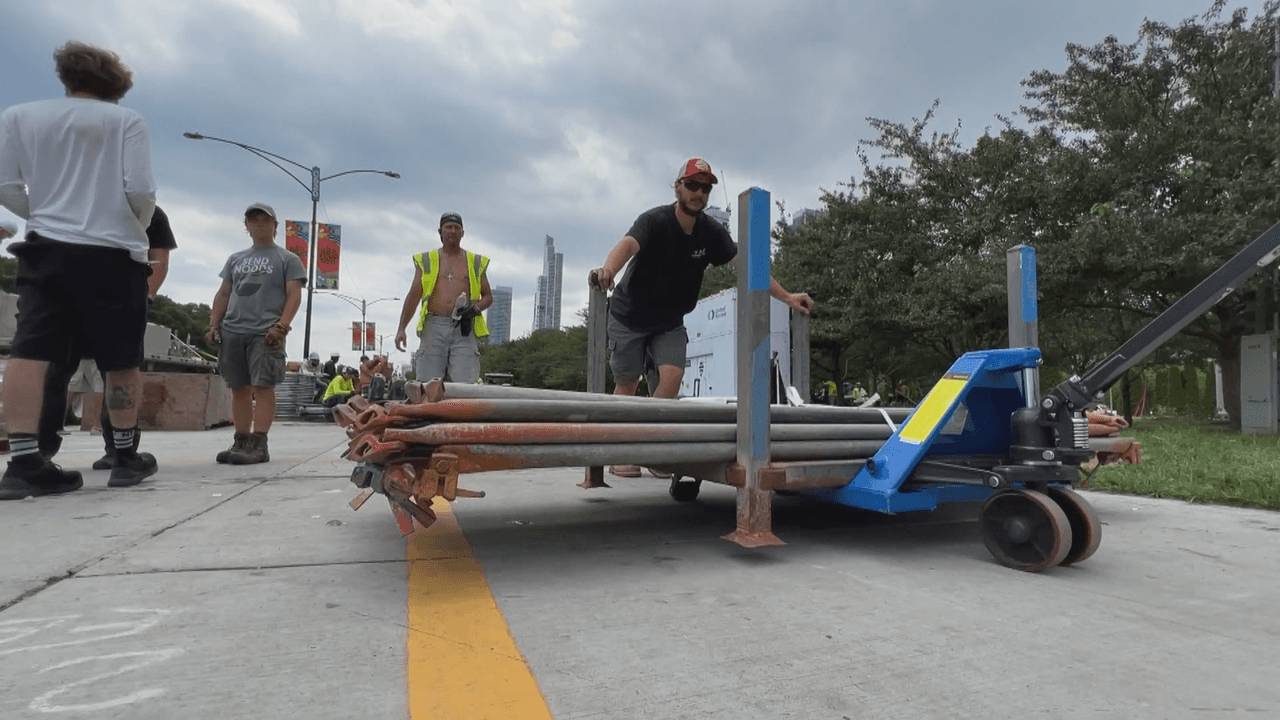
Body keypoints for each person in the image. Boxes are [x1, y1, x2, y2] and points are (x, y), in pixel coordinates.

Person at [0, 41, 158, 500]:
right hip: (113, 253)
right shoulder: (127, 121)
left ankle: (24, 461)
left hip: (47, 249)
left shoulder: (18, 116)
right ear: (117, 85)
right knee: (122, 358)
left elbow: (6, 186)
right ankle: (124, 456)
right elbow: (141, 190)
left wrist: (46, 213)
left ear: (66, 76)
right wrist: (132, 226)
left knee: (30, 352)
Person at [592, 158, 814, 477]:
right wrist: (608, 270)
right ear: (678, 187)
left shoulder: (710, 232)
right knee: (627, 383)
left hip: (669, 321)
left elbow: (750, 267)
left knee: (672, 378)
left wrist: (788, 297)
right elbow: (627, 245)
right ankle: (620, 453)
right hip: (630, 316)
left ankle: (650, 451)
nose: (699, 193)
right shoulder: (655, 220)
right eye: (693, 185)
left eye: (706, 189)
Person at [37, 205, 177, 468]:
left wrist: (147, 296)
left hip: (107, 295)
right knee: (65, 371)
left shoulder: (149, 213)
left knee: (111, 373)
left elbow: (159, 259)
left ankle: (116, 447)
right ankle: (44, 449)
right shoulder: (91, 203)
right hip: (84, 294)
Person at [204, 202, 305, 465]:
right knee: (239, 387)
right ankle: (241, 440)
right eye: (253, 220)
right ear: (246, 226)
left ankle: (259, 444)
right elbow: (224, 293)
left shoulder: (287, 259)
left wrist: (282, 326)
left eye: (264, 220)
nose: (259, 224)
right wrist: (214, 324)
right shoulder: (235, 259)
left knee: (263, 386)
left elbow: (294, 294)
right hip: (233, 330)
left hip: (266, 331)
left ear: (275, 226)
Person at [395, 212, 493, 383]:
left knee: (465, 383)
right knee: (428, 383)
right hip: (434, 326)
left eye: (457, 228)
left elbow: (488, 296)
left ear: (462, 233)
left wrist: (473, 310)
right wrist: (402, 328)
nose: (452, 231)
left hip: (463, 327)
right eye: (448, 227)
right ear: (440, 232)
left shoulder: (474, 261)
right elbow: (414, 295)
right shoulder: (427, 260)